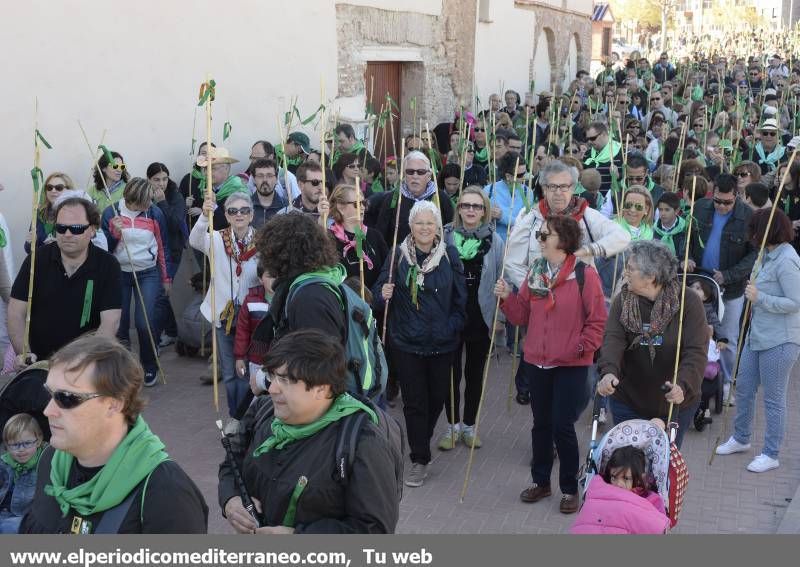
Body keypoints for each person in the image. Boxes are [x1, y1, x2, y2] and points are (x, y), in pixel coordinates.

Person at [20, 334, 208, 533]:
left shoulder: (167, 493)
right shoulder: (51, 462)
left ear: (114, 404)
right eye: (49, 394)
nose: (48, 411)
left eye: (66, 398)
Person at [219, 329, 400, 534]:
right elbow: (232, 462)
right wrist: (231, 499)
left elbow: (375, 530)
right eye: (272, 376)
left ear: (322, 388)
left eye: (286, 380)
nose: (272, 389)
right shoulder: (263, 411)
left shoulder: (362, 444)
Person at [494, 215, 606, 514]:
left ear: (564, 241)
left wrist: (580, 348)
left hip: (570, 364)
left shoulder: (584, 275)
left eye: (546, 235)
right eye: (540, 235)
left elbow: (597, 320)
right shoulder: (536, 270)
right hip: (536, 362)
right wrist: (507, 298)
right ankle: (541, 482)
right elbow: (521, 317)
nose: (540, 240)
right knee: (540, 425)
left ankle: (570, 488)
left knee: (562, 426)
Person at [375, 201, 466, 487]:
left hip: (442, 343)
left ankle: (418, 442)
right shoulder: (397, 256)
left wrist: (450, 327)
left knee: (437, 398)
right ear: (410, 226)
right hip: (407, 342)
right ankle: (419, 459)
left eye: (430, 223)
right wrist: (382, 293)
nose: (425, 228)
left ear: (438, 226)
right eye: (419, 223)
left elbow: (461, 300)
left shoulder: (450, 255)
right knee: (415, 403)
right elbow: (378, 293)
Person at [596, 240, 707, 448]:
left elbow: (696, 352)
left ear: (650, 277)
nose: (625, 272)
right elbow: (613, 339)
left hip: (674, 404)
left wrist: (683, 385)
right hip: (629, 401)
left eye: (631, 268)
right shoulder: (623, 300)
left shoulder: (688, 302)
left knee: (662, 463)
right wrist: (609, 371)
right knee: (628, 462)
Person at [715, 210, 800, 473]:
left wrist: (760, 297)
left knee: (773, 399)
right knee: (744, 388)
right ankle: (741, 438)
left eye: (754, 230)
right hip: (756, 335)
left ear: (766, 231)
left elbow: (796, 302)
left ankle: (771, 453)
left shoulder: (787, 260)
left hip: (781, 340)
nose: (750, 235)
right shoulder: (764, 254)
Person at [8, 196, 121, 371]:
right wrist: (23, 352)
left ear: (92, 230)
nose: (67, 234)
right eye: (61, 228)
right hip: (39, 364)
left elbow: (110, 322)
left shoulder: (108, 265)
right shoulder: (36, 261)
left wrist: (86, 361)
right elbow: (15, 312)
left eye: (76, 228)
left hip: (86, 366)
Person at [438, 187, 504, 450]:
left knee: (475, 375)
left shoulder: (495, 241)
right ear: (459, 208)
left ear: (484, 210)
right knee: (450, 374)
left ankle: (469, 426)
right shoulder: (445, 236)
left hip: (481, 316)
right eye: (466, 205)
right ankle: (451, 427)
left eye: (476, 206)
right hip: (451, 316)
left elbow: (501, 279)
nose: (471, 211)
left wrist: (500, 318)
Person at [505, 160, 631, 293]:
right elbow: (513, 262)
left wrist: (589, 250)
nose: (558, 192)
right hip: (538, 299)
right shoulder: (532, 218)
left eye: (564, 186)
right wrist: (535, 288)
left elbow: (622, 236)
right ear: (544, 189)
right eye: (552, 186)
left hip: (578, 297)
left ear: (573, 188)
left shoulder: (586, 215)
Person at [190, 191, 259, 419]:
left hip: (253, 314)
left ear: (251, 214)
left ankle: (253, 413)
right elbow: (195, 240)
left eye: (244, 210)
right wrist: (204, 215)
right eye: (233, 211)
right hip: (225, 313)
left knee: (252, 367)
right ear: (227, 216)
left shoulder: (262, 240)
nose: (239, 215)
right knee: (230, 371)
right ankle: (236, 415)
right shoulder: (217, 239)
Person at [688, 173, 756, 401]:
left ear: (737, 196)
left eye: (727, 202)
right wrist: (685, 257)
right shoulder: (700, 207)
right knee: (691, 331)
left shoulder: (748, 217)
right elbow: (686, 237)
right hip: (699, 282)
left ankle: (726, 383)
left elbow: (754, 255)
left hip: (731, 288)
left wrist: (728, 275)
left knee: (727, 336)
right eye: (718, 200)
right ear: (712, 193)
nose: (722, 206)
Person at [101, 178, 170, 387]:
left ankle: (149, 365)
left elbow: (162, 246)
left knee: (144, 322)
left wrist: (166, 278)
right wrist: (114, 234)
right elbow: (102, 249)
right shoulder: (111, 212)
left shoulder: (154, 213)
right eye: (146, 201)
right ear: (134, 200)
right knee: (120, 325)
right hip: (119, 273)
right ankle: (124, 368)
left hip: (147, 273)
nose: (150, 204)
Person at [571, 445, 670, 534]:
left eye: (626, 478)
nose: (618, 484)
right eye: (614, 477)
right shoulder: (599, 489)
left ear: (640, 479)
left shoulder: (651, 500)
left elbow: (657, 525)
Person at [374, 151, 454, 246]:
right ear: (404, 175)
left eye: (420, 172)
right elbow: (380, 236)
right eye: (410, 172)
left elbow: (451, 230)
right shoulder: (393, 199)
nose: (415, 176)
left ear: (429, 176)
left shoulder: (441, 198)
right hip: (399, 257)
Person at [147, 163, 187, 348]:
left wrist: (162, 202)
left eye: (164, 179)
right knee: (159, 294)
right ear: (149, 180)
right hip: (152, 251)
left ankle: (160, 337)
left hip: (172, 251)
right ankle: (171, 331)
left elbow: (175, 224)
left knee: (161, 295)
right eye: (156, 180)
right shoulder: (145, 195)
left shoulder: (175, 196)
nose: (161, 183)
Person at [328, 185, 388, 290]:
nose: (363, 207)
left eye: (364, 203)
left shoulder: (375, 236)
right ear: (341, 207)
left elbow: (386, 271)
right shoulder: (329, 238)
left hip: (374, 302)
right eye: (356, 204)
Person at [0, 414, 44, 533]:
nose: (21, 449)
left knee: (7, 528)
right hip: (4, 512)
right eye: (14, 445)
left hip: (25, 517)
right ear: (7, 446)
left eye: (27, 443)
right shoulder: (4, 463)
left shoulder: (45, 462)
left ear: (38, 440)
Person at [234, 266, 274, 390]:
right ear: (260, 279)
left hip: (280, 360)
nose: (274, 280)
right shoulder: (251, 300)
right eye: (269, 276)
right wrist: (239, 357)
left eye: (277, 276)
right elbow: (242, 331)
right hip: (257, 360)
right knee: (257, 393)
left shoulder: (287, 298)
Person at [196, 146, 249, 231]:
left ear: (226, 168)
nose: (207, 173)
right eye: (205, 169)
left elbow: (231, 224)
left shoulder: (238, 193)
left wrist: (214, 205)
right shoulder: (206, 189)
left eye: (212, 168)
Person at [484, 152, 533, 242]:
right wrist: (488, 216)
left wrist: (502, 217)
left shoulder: (527, 192)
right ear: (508, 176)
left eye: (525, 173)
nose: (524, 178)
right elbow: (480, 221)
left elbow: (526, 223)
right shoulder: (489, 190)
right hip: (494, 244)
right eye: (520, 175)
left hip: (518, 244)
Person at [582, 122, 624, 196]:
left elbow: (630, 179)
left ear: (604, 134)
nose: (589, 142)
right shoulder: (587, 154)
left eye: (592, 138)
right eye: (587, 139)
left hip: (613, 200)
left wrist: (618, 176)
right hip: (592, 200)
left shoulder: (621, 152)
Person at [248, 158, 287, 230]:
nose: (265, 180)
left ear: (276, 178)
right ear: (254, 179)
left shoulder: (287, 208)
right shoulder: (246, 208)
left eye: (269, 175)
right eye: (260, 176)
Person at [88, 150, 129, 215]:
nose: (119, 170)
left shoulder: (128, 190)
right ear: (103, 168)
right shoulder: (92, 191)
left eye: (122, 166)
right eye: (115, 166)